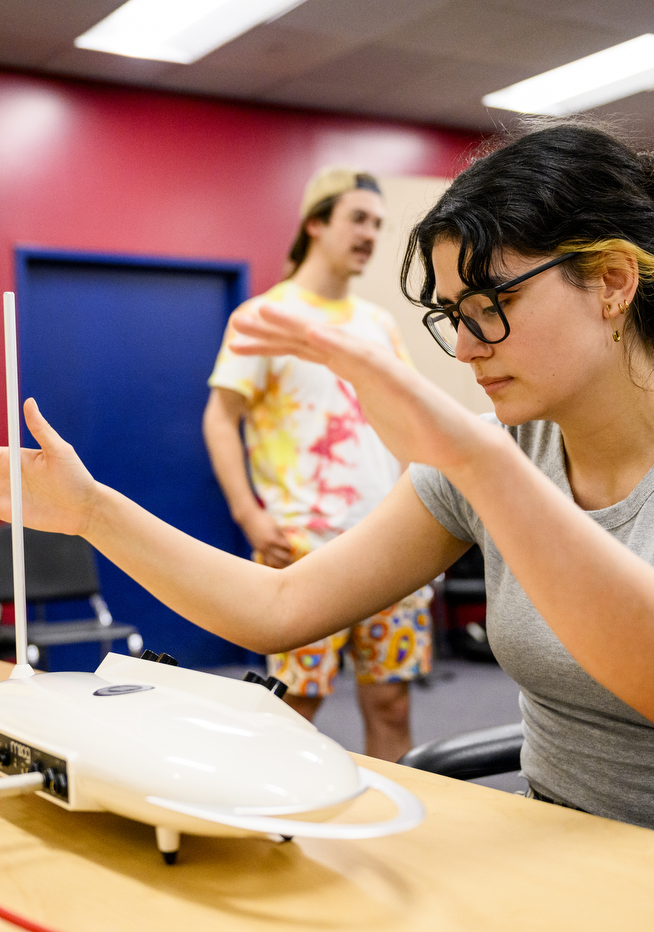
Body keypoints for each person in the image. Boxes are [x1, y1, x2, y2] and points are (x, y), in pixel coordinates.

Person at [0, 119, 654, 863]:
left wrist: (481, 463)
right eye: (450, 315)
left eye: (492, 300)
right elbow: (280, 606)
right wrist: (91, 511)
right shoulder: (498, 457)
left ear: (611, 283)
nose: (466, 344)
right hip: (557, 847)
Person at [201, 168, 432, 762]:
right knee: (293, 707)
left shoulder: (378, 324)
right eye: (357, 218)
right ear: (316, 224)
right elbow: (220, 419)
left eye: (378, 224)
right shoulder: (264, 317)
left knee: (391, 703)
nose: (370, 234)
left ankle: (390, 833)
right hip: (306, 551)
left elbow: (406, 422)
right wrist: (248, 515)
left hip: (390, 545)